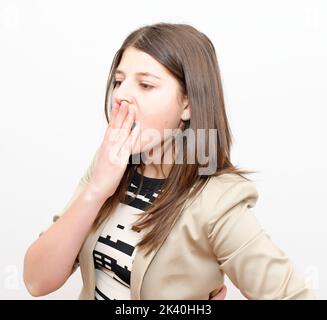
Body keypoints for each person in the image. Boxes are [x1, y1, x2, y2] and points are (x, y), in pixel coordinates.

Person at [23, 22, 316, 300]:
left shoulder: (216, 200)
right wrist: (96, 190)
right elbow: (37, 280)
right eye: (119, 81)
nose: (121, 96)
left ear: (187, 104)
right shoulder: (106, 166)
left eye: (146, 85)